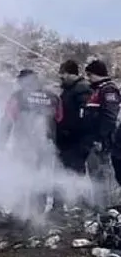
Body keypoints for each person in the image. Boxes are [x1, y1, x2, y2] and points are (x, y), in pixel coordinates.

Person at [0, 69, 63, 214]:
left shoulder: (18, 96)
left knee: (23, 174)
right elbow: (60, 118)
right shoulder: (52, 97)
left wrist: (2, 140)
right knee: (42, 175)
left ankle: (22, 211)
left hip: (24, 144)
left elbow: (8, 119)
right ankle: (38, 211)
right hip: (47, 144)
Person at [53, 60, 92, 209]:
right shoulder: (69, 90)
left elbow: (86, 116)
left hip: (76, 141)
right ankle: (59, 206)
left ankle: (80, 207)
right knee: (61, 173)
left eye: (63, 74)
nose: (61, 77)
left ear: (71, 74)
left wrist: (79, 137)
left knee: (76, 175)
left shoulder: (82, 89)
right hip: (66, 140)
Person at [82, 59, 120, 208]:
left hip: (102, 142)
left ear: (96, 74)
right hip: (93, 140)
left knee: (102, 176)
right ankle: (100, 209)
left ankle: (108, 210)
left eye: (89, 75)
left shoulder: (108, 90)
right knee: (95, 176)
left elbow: (110, 117)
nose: (88, 78)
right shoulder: (98, 90)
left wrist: (101, 138)